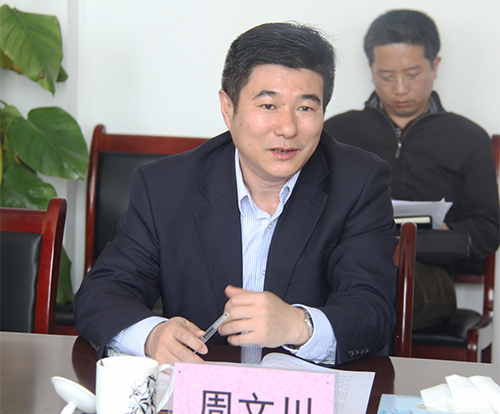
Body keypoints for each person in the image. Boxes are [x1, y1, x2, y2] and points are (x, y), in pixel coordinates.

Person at [74, 22, 397, 366]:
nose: (288, 128)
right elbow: (102, 293)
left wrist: (298, 325)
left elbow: (372, 310)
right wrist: (152, 336)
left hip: (304, 389)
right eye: (268, 106)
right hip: (204, 387)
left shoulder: (358, 182)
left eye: (305, 108)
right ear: (228, 108)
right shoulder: (166, 187)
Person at [324, 10, 500, 330]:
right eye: (387, 76)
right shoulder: (337, 132)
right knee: (341, 283)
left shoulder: (468, 137)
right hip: (349, 265)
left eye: (413, 74)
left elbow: (488, 230)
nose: (401, 89)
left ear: (435, 66)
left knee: (386, 288)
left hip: (425, 275)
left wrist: (446, 231)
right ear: (371, 70)